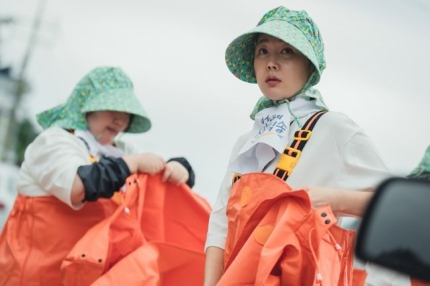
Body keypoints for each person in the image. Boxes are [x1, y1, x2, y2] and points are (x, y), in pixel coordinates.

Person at [203, 6, 400, 286]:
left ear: (309, 65)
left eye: (287, 51)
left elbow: (396, 205)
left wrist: (324, 199)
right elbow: (220, 226)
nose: (272, 63)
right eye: (263, 51)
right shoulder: (246, 143)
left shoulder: (334, 128)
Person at [0, 66, 197, 284]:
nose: (120, 120)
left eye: (126, 114)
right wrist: (133, 163)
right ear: (87, 108)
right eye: (112, 109)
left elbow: (151, 177)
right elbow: (78, 186)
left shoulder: (122, 150)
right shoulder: (54, 142)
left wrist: (178, 168)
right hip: (33, 278)